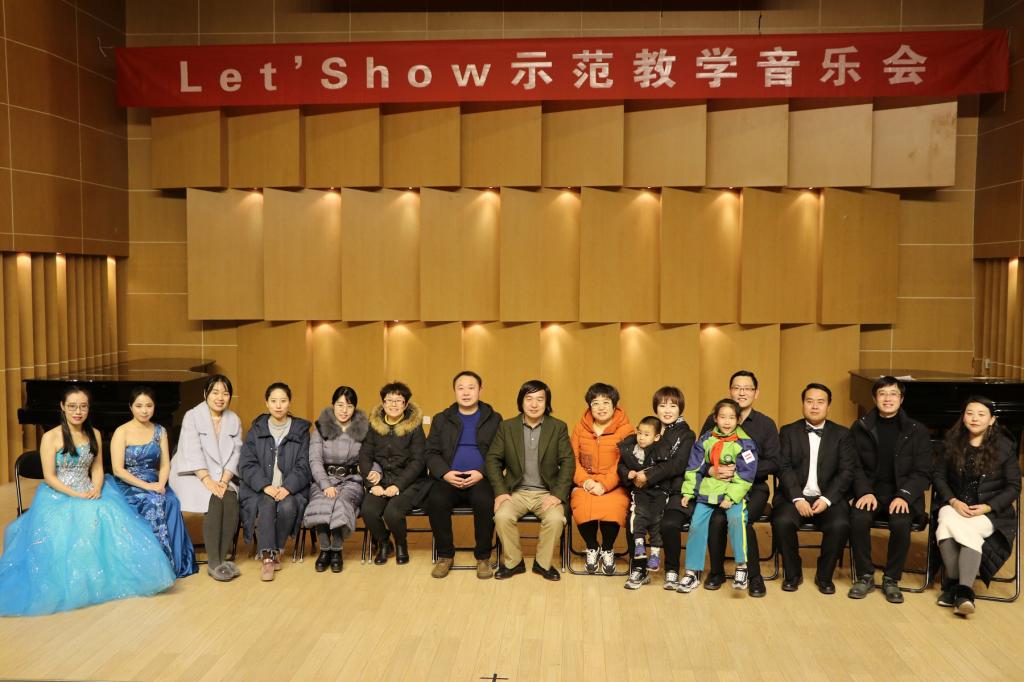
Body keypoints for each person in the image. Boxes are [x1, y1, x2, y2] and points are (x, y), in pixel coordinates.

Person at [0, 385, 175, 616]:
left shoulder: (95, 434)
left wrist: (96, 487)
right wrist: (75, 495)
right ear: (63, 407)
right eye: (72, 406)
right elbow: (50, 477)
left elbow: (98, 469)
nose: (78, 411)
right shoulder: (51, 437)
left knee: (110, 517)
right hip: (59, 494)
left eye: (83, 406)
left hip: (90, 490)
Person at [933, 396, 1021, 617]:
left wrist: (988, 507)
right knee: (945, 519)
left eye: (981, 414)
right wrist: (953, 501)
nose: (974, 418)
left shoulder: (1005, 447)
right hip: (955, 504)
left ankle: (956, 588)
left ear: (992, 420)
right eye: (970, 413)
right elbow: (939, 476)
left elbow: (1014, 486)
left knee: (957, 528)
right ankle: (963, 592)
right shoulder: (951, 442)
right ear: (963, 417)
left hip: (990, 512)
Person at [847, 375, 932, 604]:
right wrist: (864, 491)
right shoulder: (860, 427)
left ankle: (891, 578)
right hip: (870, 492)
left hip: (902, 494)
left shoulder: (917, 430)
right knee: (858, 518)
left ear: (901, 399)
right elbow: (853, 466)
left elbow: (923, 472)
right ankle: (865, 576)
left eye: (893, 394)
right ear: (874, 398)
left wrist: (904, 495)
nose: (887, 398)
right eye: (882, 394)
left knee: (901, 522)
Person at [699, 370, 779, 598]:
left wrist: (742, 470)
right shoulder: (713, 420)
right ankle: (716, 572)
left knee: (742, 520)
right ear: (730, 391)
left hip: (754, 488)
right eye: (737, 388)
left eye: (747, 388)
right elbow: (699, 455)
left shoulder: (765, 424)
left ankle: (754, 576)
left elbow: (774, 462)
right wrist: (710, 470)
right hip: (719, 485)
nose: (741, 393)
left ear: (756, 393)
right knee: (716, 519)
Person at [486, 379, 574, 582]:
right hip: (515, 492)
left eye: (540, 399)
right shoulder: (507, 427)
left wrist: (557, 495)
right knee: (502, 516)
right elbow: (492, 460)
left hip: (547, 493)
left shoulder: (558, 427)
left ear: (547, 402)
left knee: (555, 519)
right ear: (521, 401)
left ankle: (542, 564)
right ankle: (514, 563)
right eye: (529, 399)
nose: (534, 404)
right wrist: (501, 492)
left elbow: (568, 463)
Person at [772, 383, 855, 594]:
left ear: (828, 406)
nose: (815, 406)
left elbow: (846, 472)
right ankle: (792, 573)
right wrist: (797, 498)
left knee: (840, 524)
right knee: (782, 521)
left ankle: (824, 576)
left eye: (820, 402)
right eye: (809, 401)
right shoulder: (788, 431)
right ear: (803, 404)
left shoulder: (842, 434)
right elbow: (783, 467)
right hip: (794, 496)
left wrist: (827, 499)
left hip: (828, 497)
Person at [110, 385, 198, 579]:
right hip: (129, 483)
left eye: (149, 406)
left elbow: (165, 464)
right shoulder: (121, 432)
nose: (144, 410)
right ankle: (152, 567)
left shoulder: (160, 431)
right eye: (139, 406)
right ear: (131, 407)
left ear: (154, 406)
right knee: (152, 501)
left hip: (155, 481)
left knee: (172, 501)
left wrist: (160, 483)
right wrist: (147, 487)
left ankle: (173, 563)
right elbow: (118, 470)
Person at [425, 371, 502, 579]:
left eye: (471, 387)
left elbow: (499, 453)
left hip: (480, 478)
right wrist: (445, 473)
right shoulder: (442, 419)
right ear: (455, 391)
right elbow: (430, 452)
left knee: (485, 502)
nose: (466, 392)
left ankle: (483, 557)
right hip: (449, 476)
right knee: (436, 500)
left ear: (480, 390)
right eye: (460, 388)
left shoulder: (494, 419)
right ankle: (445, 555)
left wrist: (481, 472)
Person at [677, 398, 758, 594]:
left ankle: (741, 567)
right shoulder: (705, 439)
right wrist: (688, 491)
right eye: (722, 417)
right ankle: (692, 571)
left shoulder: (745, 443)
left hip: (733, 494)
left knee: (737, 520)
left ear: (738, 420)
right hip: (708, 492)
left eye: (731, 417)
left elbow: (746, 475)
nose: (727, 422)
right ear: (715, 418)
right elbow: (694, 467)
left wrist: (730, 497)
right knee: (696, 525)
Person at [170, 374, 244, 581]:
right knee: (213, 499)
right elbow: (192, 451)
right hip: (192, 473)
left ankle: (222, 558)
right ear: (205, 394)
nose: (220, 398)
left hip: (222, 476)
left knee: (230, 500)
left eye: (225, 393)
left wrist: (224, 480)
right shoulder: (192, 416)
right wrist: (208, 481)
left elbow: (236, 453)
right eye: (215, 392)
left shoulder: (234, 419)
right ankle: (214, 563)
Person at [238, 382, 312, 581]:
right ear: (267, 403)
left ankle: (276, 548)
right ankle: (268, 557)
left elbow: (304, 464)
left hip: (290, 488)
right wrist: (265, 485)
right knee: (266, 503)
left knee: (288, 506)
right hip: (261, 488)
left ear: (289, 403)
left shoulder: (301, 431)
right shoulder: (257, 429)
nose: (278, 405)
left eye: (283, 401)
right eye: (273, 401)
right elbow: (246, 463)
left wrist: (288, 487)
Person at [359, 381, 430, 566]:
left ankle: (401, 543)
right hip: (381, 480)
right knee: (368, 511)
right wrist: (372, 484)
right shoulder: (373, 426)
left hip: (410, 483)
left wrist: (397, 485)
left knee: (392, 512)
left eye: (398, 400)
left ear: (405, 404)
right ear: (383, 403)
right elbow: (365, 456)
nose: (393, 404)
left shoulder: (414, 428)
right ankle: (384, 543)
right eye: (389, 400)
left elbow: (418, 461)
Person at [302, 385, 368, 574]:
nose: (344, 410)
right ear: (333, 405)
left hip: (351, 480)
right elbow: (314, 460)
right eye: (340, 405)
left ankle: (337, 550)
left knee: (340, 503)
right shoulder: (320, 428)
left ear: (354, 408)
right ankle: (325, 549)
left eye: (349, 406)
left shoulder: (363, 430)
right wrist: (325, 485)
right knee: (322, 503)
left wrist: (375, 473)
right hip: (324, 478)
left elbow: (370, 457)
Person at [570, 382, 633, 576]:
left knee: (613, 505)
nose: (601, 407)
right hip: (586, 481)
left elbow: (624, 461)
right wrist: (586, 481)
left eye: (606, 402)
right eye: (595, 403)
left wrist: (604, 485)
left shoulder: (626, 429)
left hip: (614, 482)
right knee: (581, 502)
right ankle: (592, 546)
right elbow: (572, 459)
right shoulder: (580, 428)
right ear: (589, 406)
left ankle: (607, 548)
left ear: (614, 405)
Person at [641, 386, 696, 591]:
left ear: (680, 408)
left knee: (669, 523)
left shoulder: (687, 434)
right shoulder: (648, 429)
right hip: (650, 490)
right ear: (655, 408)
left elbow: (678, 465)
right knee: (635, 519)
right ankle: (639, 567)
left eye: (673, 406)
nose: (667, 410)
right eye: (662, 405)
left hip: (676, 491)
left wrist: (648, 474)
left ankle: (671, 569)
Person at [618, 415, 670, 589]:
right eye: (639, 433)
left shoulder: (661, 449)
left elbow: (664, 469)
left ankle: (654, 554)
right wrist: (628, 474)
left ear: (656, 437)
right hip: (640, 491)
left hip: (658, 491)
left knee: (656, 519)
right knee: (638, 514)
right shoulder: (630, 448)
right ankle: (639, 545)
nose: (641, 437)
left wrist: (647, 475)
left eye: (646, 435)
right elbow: (621, 466)